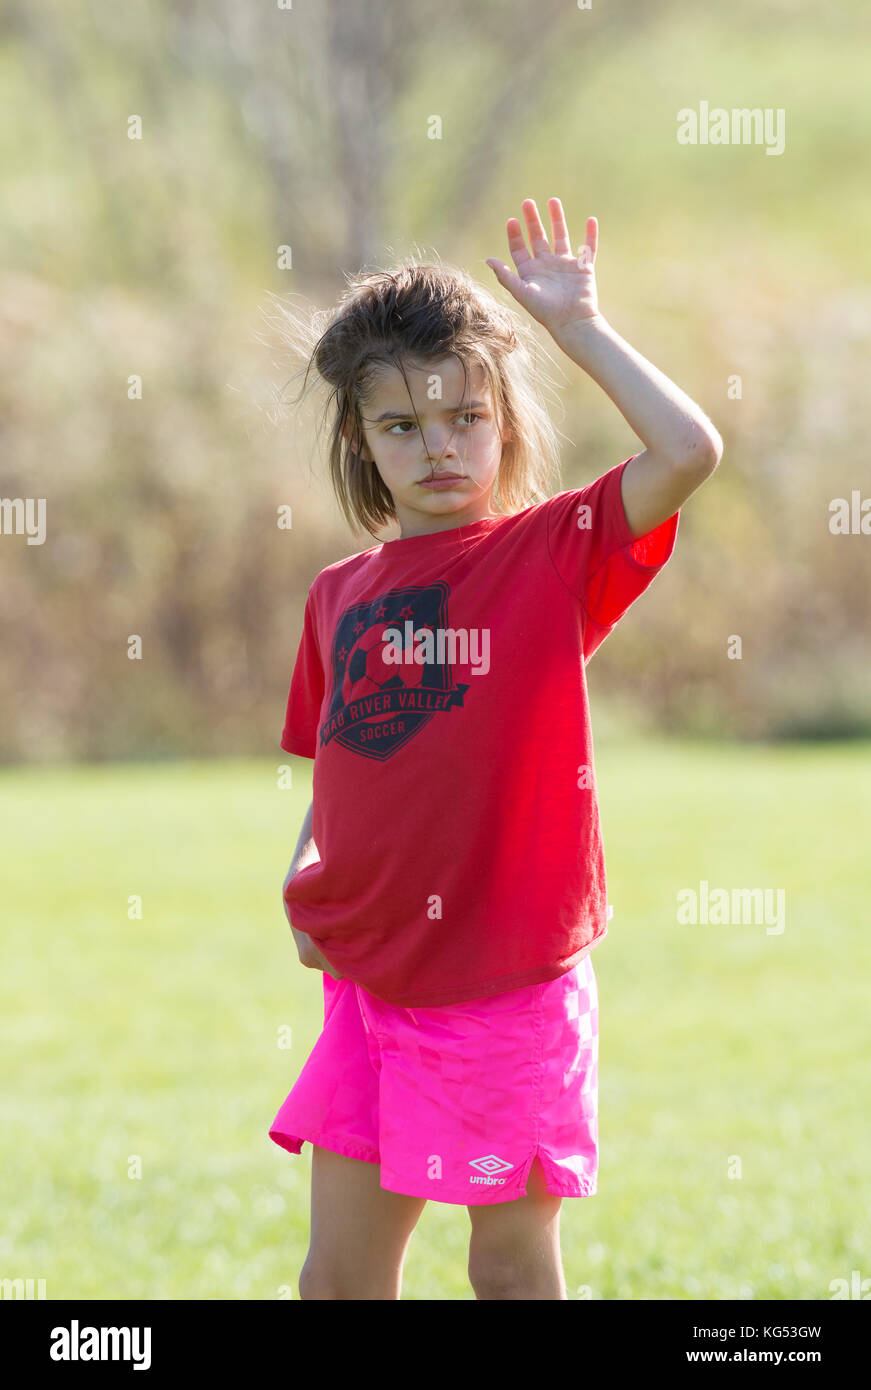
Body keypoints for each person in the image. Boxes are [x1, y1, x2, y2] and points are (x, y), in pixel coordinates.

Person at [267, 197, 723, 1300]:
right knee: (337, 1276)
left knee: (509, 1266)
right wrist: (301, 863)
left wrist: (579, 329)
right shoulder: (340, 594)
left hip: (503, 985)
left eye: (463, 417)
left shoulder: (552, 554)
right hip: (372, 981)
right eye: (401, 426)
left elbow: (689, 449)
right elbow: (341, 754)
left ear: (504, 421)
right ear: (359, 442)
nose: (437, 446)